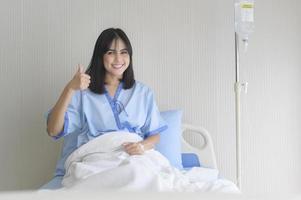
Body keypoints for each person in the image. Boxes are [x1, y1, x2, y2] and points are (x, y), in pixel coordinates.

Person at [46, 28, 167, 176]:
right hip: (97, 159)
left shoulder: (143, 92)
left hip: (134, 158)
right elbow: (53, 130)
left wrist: (142, 146)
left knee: (140, 175)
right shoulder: (83, 92)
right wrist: (70, 88)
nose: (118, 59)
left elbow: (154, 134)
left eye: (124, 52)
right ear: (100, 56)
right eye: (111, 52)